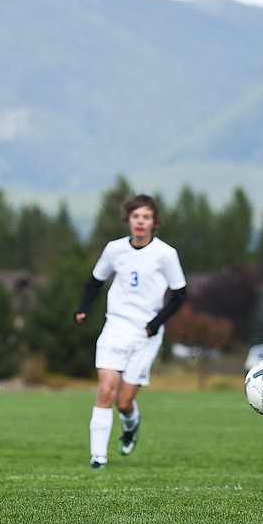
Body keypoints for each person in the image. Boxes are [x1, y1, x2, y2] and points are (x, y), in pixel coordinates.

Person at [74, 194, 187, 469]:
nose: (140, 221)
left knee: (124, 402)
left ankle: (130, 426)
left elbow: (180, 295)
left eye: (146, 217)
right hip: (115, 325)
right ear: (128, 220)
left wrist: (156, 322)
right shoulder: (114, 249)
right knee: (105, 391)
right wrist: (83, 308)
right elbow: (95, 281)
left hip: (146, 334)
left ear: (154, 222)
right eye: (136, 216)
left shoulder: (165, 254)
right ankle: (98, 457)